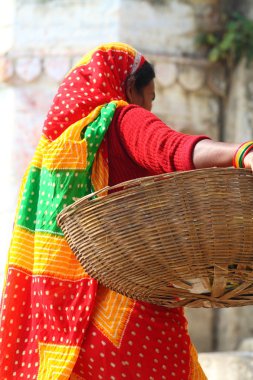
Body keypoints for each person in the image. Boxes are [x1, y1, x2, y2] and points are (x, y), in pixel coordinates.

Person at [0, 42, 253, 380]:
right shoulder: (122, 117)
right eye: (148, 98)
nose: (149, 108)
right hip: (128, 320)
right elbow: (171, 149)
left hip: (64, 330)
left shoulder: (58, 146)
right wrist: (242, 153)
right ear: (128, 87)